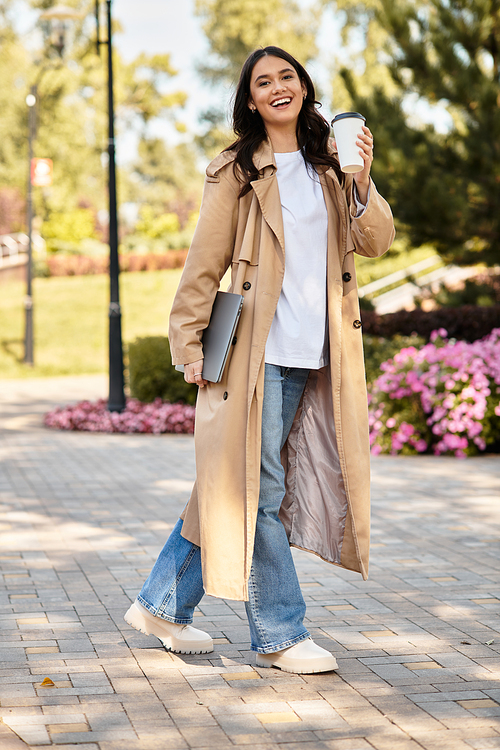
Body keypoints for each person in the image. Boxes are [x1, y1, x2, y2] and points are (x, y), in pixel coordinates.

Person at [125, 45, 395, 674]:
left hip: (313, 352)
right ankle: (281, 632)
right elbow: (204, 261)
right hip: (256, 351)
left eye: (288, 77)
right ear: (250, 100)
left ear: (303, 88)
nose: (278, 87)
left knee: (234, 482)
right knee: (261, 487)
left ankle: (162, 603)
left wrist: (362, 180)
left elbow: (376, 240)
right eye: (263, 81)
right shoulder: (237, 172)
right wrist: (188, 342)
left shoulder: (332, 165)